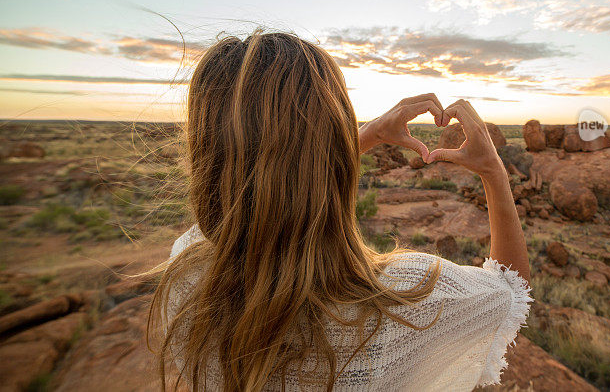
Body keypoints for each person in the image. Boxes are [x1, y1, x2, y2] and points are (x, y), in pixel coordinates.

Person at [149, 29, 532, 391]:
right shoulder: (399, 303)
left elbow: (258, 199)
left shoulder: (187, 279)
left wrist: (368, 135)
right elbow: (511, 291)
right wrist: (493, 171)